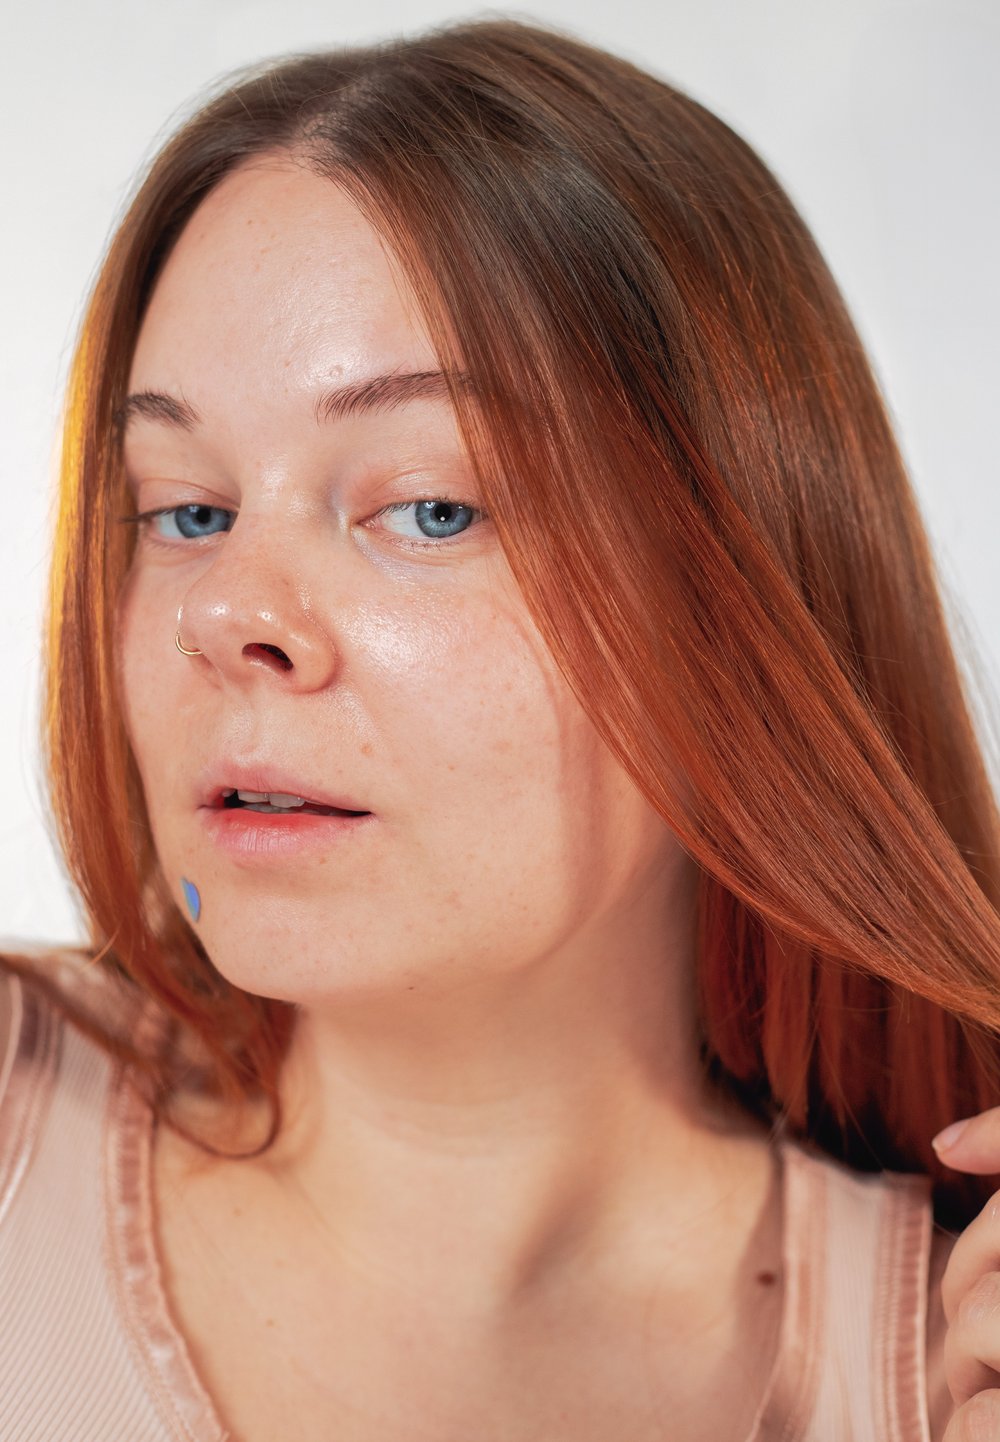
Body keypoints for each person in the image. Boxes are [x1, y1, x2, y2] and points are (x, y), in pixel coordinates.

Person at [1, 16, 997, 1440]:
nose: (228, 611)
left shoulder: (951, 1354)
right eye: (190, 510)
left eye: (430, 506)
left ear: (743, 599)